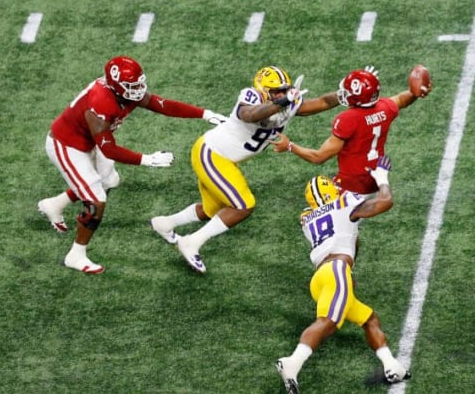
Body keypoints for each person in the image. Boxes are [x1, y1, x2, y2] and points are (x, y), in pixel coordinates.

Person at [38, 55, 226, 274]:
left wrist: (205, 114)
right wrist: (148, 159)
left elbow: (160, 104)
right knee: (96, 201)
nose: (138, 89)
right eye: (132, 85)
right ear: (117, 85)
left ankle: (55, 204)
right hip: (67, 146)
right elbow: (108, 148)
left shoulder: (120, 91)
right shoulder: (100, 101)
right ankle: (76, 255)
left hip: (90, 141)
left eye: (138, 83)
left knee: (110, 180)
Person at [150, 66, 339, 273]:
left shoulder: (285, 102)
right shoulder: (251, 96)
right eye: (277, 91)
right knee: (243, 205)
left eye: (285, 90)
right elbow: (249, 114)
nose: (282, 94)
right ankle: (191, 242)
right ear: (263, 90)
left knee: (213, 209)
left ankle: (165, 223)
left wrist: (344, 95)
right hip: (212, 155)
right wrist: (282, 102)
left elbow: (321, 102)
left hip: (223, 159)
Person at [275, 156, 410, 394]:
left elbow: (350, 236)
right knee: (327, 322)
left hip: (321, 278)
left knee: (368, 319)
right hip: (337, 270)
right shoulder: (344, 203)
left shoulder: (307, 217)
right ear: (330, 191)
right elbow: (385, 201)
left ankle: (392, 366)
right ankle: (292, 363)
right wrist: (381, 177)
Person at [270, 65, 432, 196]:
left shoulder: (348, 119)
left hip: (352, 185)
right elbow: (401, 100)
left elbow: (319, 157)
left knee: (316, 194)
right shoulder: (385, 108)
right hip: (376, 178)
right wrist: (415, 93)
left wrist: (290, 146)